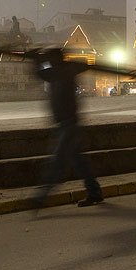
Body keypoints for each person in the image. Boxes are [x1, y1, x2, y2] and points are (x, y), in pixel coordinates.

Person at [33, 48, 104, 207]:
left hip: (69, 124)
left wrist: (38, 60)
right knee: (79, 162)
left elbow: (82, 65)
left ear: (56, 60)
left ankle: (40, 197)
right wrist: (36, 60)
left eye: (51, 59)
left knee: (57, 161)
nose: (49, 62)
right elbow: (39, 74)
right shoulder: (57, 72)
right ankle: (95, 192)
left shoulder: (65, 72)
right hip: (64, 124)